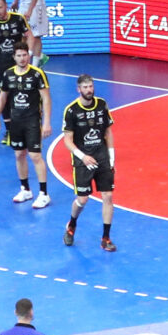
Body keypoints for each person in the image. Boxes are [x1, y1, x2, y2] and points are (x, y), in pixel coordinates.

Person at [62, 73, 118, 250]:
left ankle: (106, 238)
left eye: (91, 86)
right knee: (83, 199)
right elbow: (67, 140)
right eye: (85, 87)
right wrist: (82, 157)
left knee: (108, 196)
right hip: (83, 159)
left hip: (101, 156)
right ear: (78, 89)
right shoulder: (71, 110)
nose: (89, 90)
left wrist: (111, 157)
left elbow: (108, 132)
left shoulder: (101, 105)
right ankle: (72, 224)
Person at [0, 40, 54, 210]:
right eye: (19, 55)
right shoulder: (8, 74)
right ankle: (25, 190)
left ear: (28, 56)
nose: (22, 58)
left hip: (32, 121)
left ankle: (44, 194)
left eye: (25, 55)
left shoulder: (37, 74)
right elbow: (3, 97)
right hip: (16, 121)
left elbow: (46, 99)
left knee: (35, 156)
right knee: (19, 155)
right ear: (14, 57)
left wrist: (46, 123)